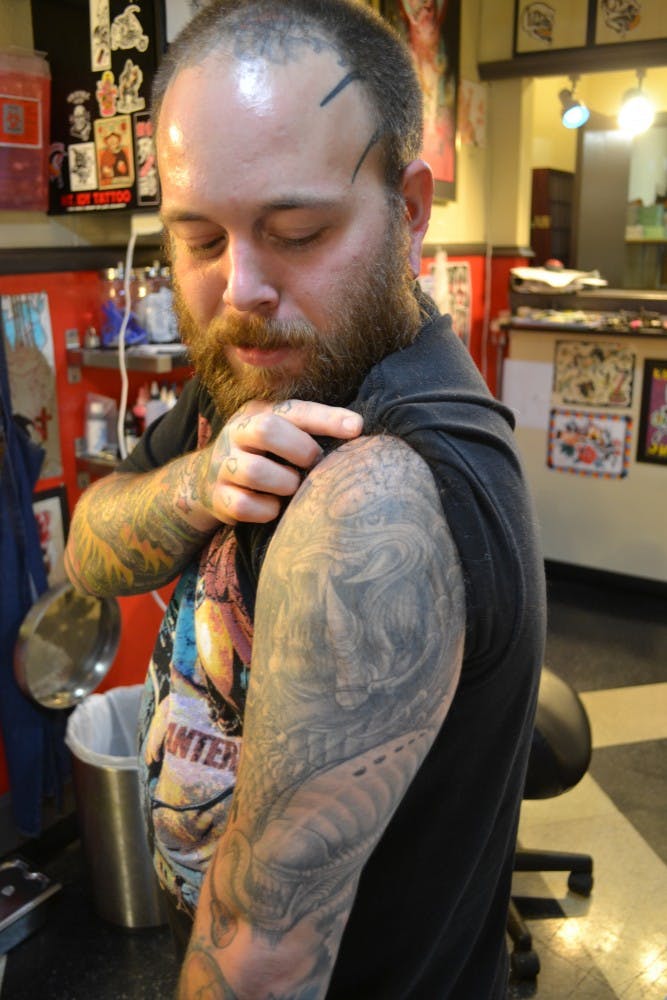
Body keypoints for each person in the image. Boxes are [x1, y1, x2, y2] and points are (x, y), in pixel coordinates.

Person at [64, 1, 546, 996]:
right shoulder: (268, 358)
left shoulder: (380, 496)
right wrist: (202, 478)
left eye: (296, 230)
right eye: (198, 241)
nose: (240, 286)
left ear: (409, 209)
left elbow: (264, 959)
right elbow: (87, 545)